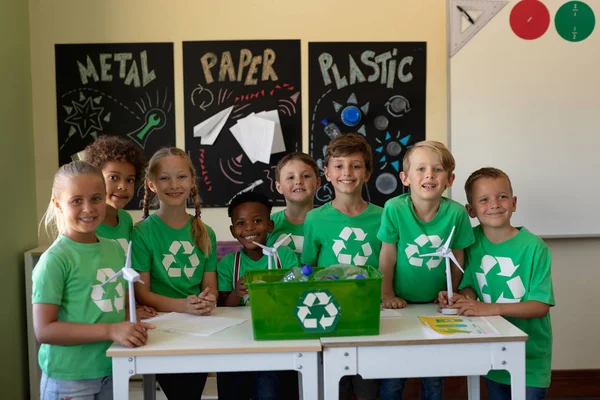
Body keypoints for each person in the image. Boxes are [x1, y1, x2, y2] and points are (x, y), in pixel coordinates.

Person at [33, 160, 153, 400]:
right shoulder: (55, 260)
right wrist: (111, 329)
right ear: (58, 205)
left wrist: (132, 320)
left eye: (96, 198)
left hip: (111, 367)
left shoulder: (116, 250)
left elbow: (114, 301)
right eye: (76, 200)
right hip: (70, 378)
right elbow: (45, 330)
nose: (88, 208)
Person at [439, 167, 554, 400]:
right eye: (484, 200)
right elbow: (470, 285)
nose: (495, 204)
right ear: (470, 210)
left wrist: (491, 308)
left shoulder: (534, 248)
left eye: (502, 197)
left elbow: (540, 305)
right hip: (493, 350)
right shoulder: (471, 242)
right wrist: (462, 297)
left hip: (529, 357)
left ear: (514, 202)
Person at [378, 140, 474, 400]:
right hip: (399, 304)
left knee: (433, 374)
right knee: (393, 373)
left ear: (450, 179)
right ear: (405, 178)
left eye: (437, 170)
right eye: (420, 169)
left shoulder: (456, 214)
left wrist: (449, 292)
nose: (429, 175)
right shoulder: (394, 208)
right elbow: (388, 254)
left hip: (436, 305)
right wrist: (387, 295)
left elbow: (458, 257)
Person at [132, 147, 218, 400]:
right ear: (151, 184)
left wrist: (208, 299)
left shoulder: (205, 232)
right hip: (162, 325)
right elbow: (142, 292)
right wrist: (183, 305)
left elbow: (210, 286)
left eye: (181, 177)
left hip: (198, 326)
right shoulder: (142, 233)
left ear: (192, 181)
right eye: (164, 178)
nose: (174, 185)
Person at [302, 133, 382, 400]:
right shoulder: (315, 218)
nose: (347, 173)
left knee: (368, 389)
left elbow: (389, 263)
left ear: (368, 173)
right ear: (326, 172)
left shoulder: (384, 216)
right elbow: (308, 268)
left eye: (356, 166)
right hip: (328, 315)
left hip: (370, 312)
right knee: (335, 389)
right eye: (339, 166)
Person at [216, 191, 300, 400]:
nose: (249, 228)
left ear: (270, 226)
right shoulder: (228, 264)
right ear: (233, 230)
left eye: (257, 221)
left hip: (275, 340)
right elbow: (223, 307)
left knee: (269, 390)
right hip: (238, 340)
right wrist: (237, 293)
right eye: (241, 223)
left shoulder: (285, 256)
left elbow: (296, 296)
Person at [83, 135, 146, 251]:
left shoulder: (126, 219)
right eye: (113, 177)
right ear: (95, 177)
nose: (123, 186)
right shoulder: (86, 223)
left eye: (129, 180)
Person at [267, 152, 320, 259]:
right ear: (279, 187)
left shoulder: (326, 223)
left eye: (306, 176)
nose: (298, 181)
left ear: (317, 183)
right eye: (290, 177)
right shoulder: (267, 225)